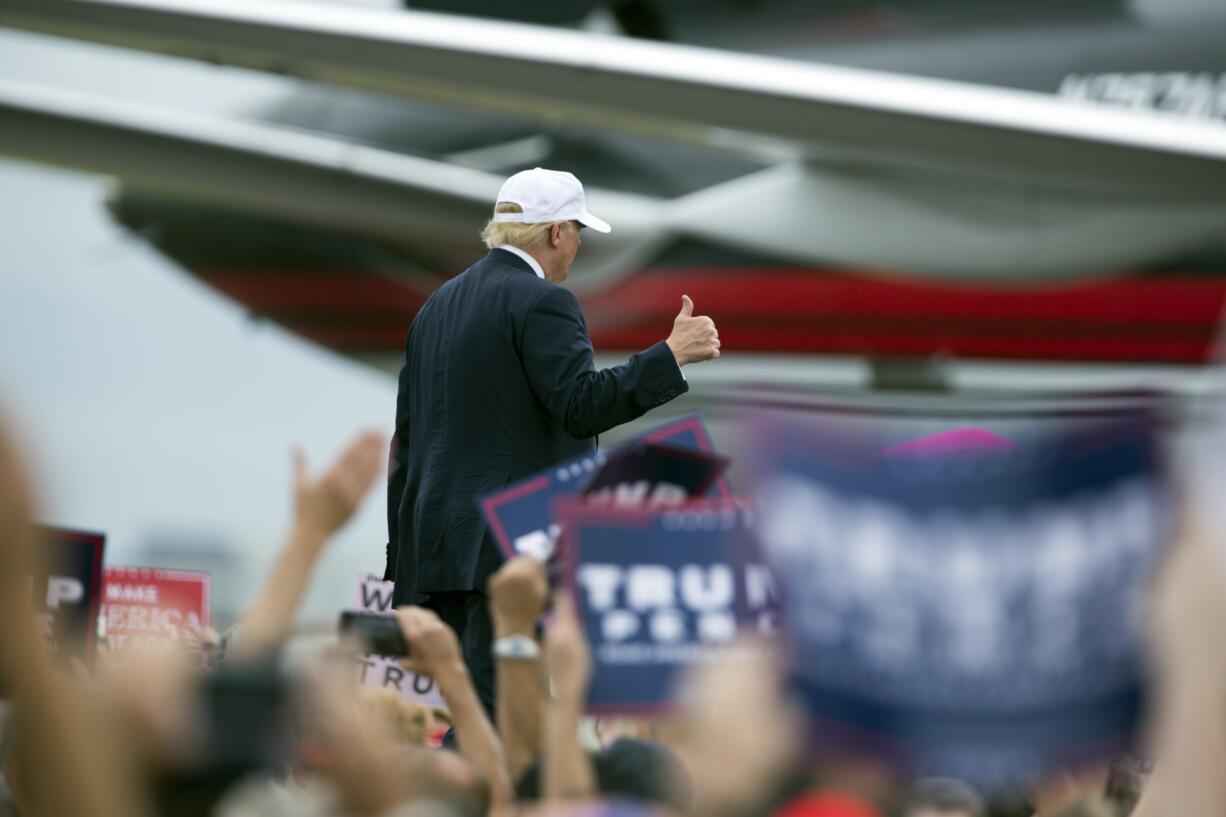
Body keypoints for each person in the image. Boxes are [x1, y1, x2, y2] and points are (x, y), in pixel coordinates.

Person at [385, 167, 720, 717]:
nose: (579, 246)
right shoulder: (543, 301)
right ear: (557, 233)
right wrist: (670, 355)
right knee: (506, 726)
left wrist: (403, 568)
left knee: (476, 719)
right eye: (578, 232)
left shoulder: (434, 308)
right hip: (509, 556)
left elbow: (406, 448)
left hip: (435, 557)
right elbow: (579, 404)